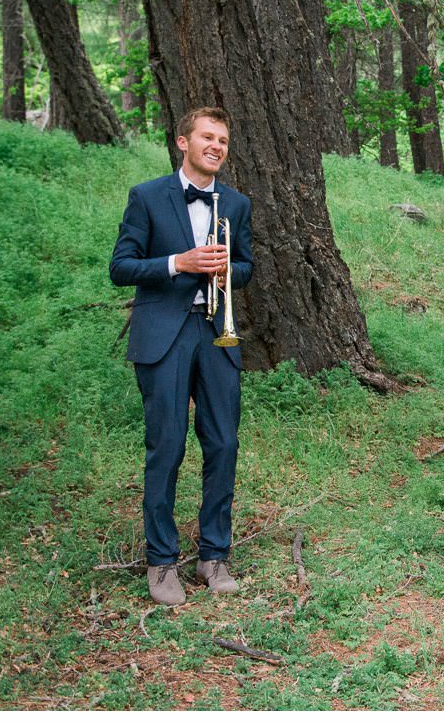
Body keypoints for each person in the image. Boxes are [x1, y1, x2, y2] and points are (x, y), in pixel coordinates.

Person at [110, 107, 254, 605]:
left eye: (223, 139)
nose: (216, 146)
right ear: (182, 142)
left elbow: (247, 265)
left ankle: (214, 555)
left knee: (223, 445)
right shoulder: (147, 197)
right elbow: (121, 267)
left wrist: (226, 272)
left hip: (216, 334)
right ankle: (161, 562)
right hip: (164, 336)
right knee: (166, 447)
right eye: (207, 137)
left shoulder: (236, 203)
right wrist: (180, 262)